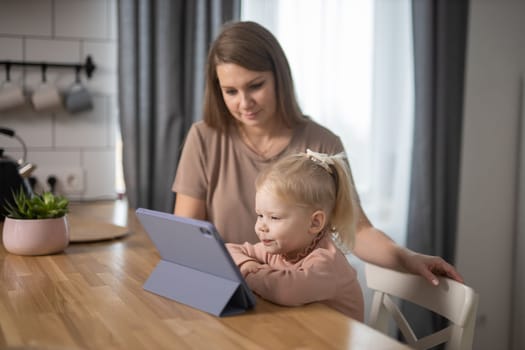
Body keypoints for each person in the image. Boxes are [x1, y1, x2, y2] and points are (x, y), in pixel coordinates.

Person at [172, 20, 463, 286]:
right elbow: (187, 233)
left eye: (255, 86)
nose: (244, 102)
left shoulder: (323, 144)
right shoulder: (204, 137)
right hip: (230, 289)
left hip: (299, 300)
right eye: (230, 91)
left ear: (279, 78)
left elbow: (358, 231)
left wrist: (406, 258)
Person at [226, 150, 364, 320]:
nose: (262, 226)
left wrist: (248, 273)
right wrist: (247, 262)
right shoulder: (281, 248)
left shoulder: (327, 262)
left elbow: (283, 290)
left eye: (274, 217)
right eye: (260, 215)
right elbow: (227, 251)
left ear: (314, 223)